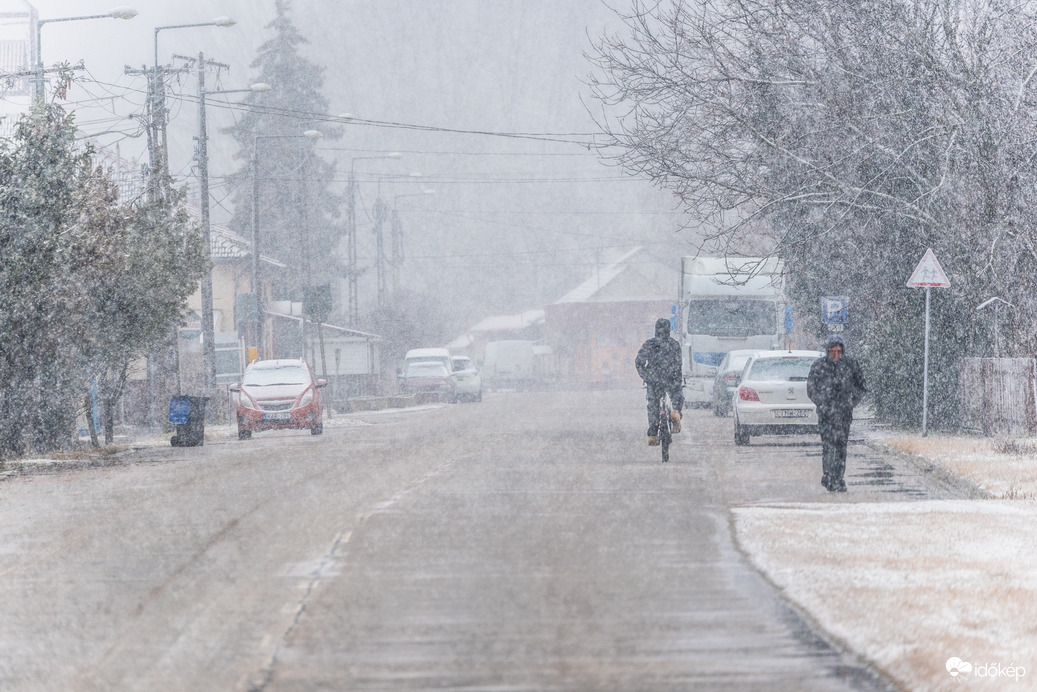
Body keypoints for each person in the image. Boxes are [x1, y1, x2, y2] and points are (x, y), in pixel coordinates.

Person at [807, 334, 867, 492]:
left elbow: (861, 387)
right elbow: (811, 389)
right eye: (832, 351)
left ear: (843, 351)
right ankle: (828, 475)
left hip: (844, 414)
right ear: (827, 351)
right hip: (826, 414)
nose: (835, 355)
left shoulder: (851, 365)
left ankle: (838, 478)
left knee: (841, 446)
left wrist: (851, 402)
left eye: (838, 351)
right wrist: (822, 403)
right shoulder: (819, 366)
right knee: (828, 446)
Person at [635, 318, 684, 446]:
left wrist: (646, 376)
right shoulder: (674, 345)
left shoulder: (649, 344)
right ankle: (676, 413)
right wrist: (677, 377)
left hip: (654, 379)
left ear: (656, 330)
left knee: (653, 406)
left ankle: (652, 435)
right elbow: (679, 363)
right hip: (671, 379)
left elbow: (639, 362)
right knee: (677, 396)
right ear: (669, 329)